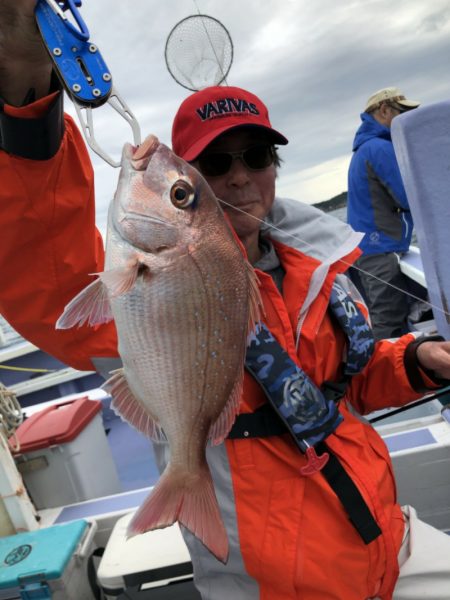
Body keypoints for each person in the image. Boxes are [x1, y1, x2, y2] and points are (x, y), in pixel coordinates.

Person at [2, 4, 450, 599]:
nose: (240, 176)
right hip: (276, 586)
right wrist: (26, 87)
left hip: (386, 542)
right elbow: (48, 271)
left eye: (256, 156)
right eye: (215, 163)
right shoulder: (154, 284)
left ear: (275, 166)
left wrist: (415, 362)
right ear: (196, 180)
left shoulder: (321, 270)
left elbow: (351, 384)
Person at [347, 87, 421, 340]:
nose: (408, 118)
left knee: (390, 316)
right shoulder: (379, 147)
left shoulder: (366, 148)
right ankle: (384, 376)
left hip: (371, 248)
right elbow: (407, 196)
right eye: (403, 112)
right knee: (388, 320)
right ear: (385, 111)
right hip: (379, 250)